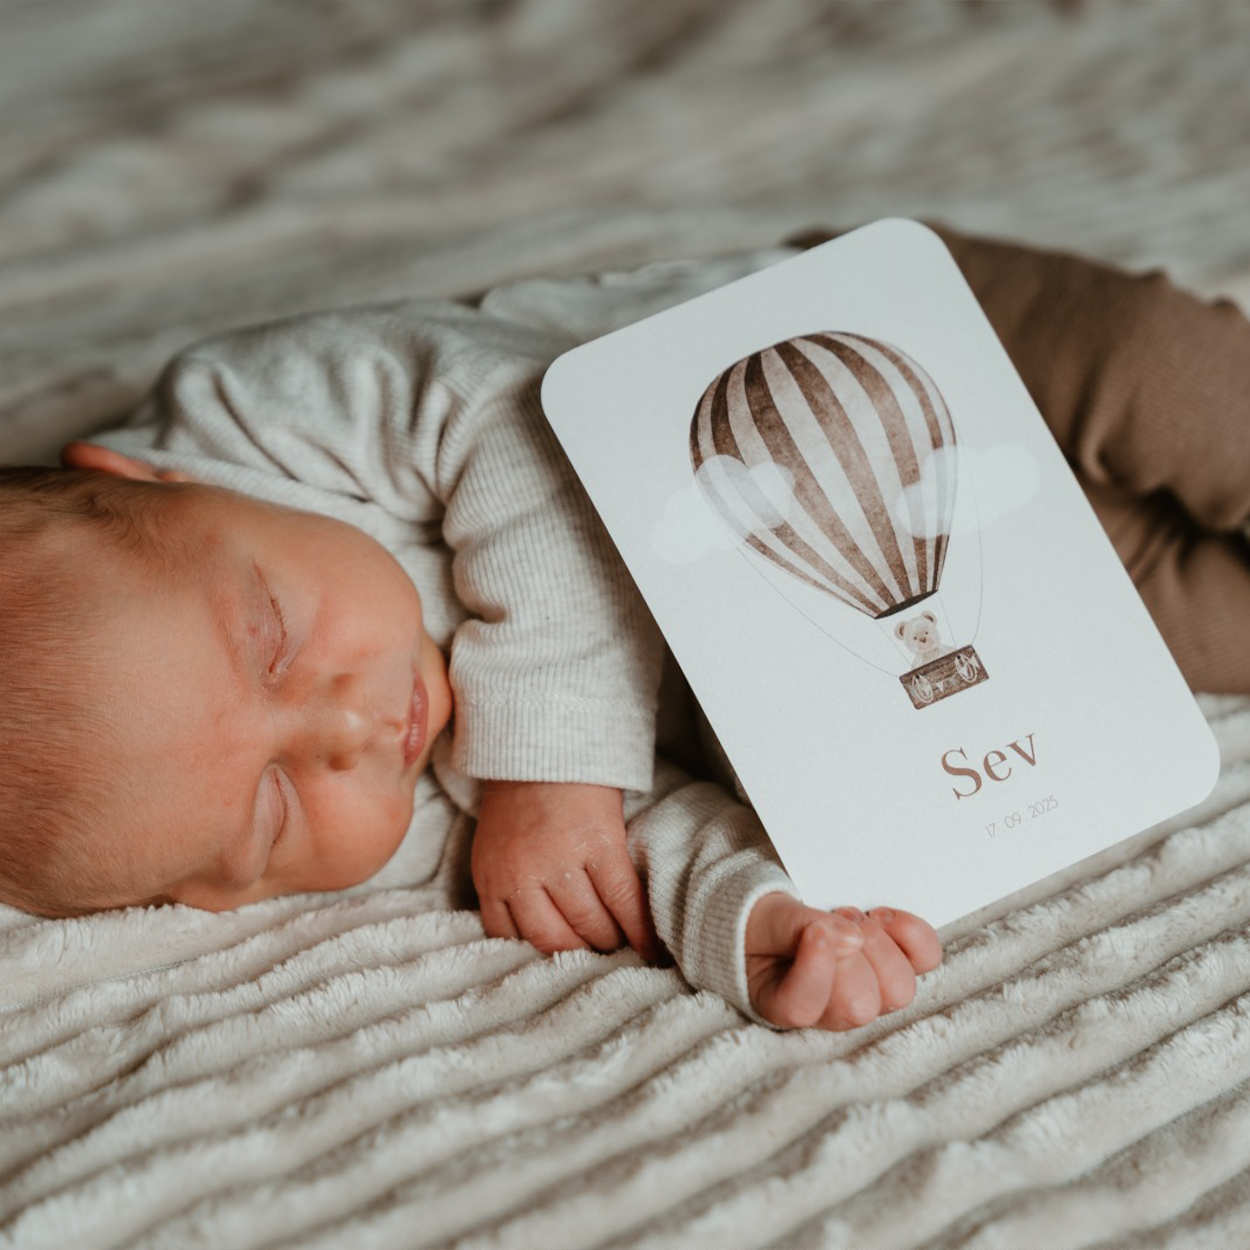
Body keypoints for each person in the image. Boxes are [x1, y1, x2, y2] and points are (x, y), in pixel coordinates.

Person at [2, 223, 1246, 1031]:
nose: (349, 723)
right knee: (1204, 633)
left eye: (271, 637)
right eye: (272, 805)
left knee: (1169, 377)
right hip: (926, 611)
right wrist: (761, 924)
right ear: (207, 898)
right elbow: (625, 841)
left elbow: (517, 422)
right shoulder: (386, 827)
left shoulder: (258, 415)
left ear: (143, 482)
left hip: (850, 356)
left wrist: (550, 767)